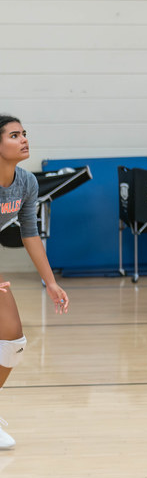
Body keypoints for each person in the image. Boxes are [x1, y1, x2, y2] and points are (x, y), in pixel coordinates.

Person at [0, 114, 70, 448]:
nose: (24, 139)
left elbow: (29, 232)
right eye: (14, 135)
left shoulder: (26, 182)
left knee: (12, 340)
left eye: (24, 133)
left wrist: (51, 282)